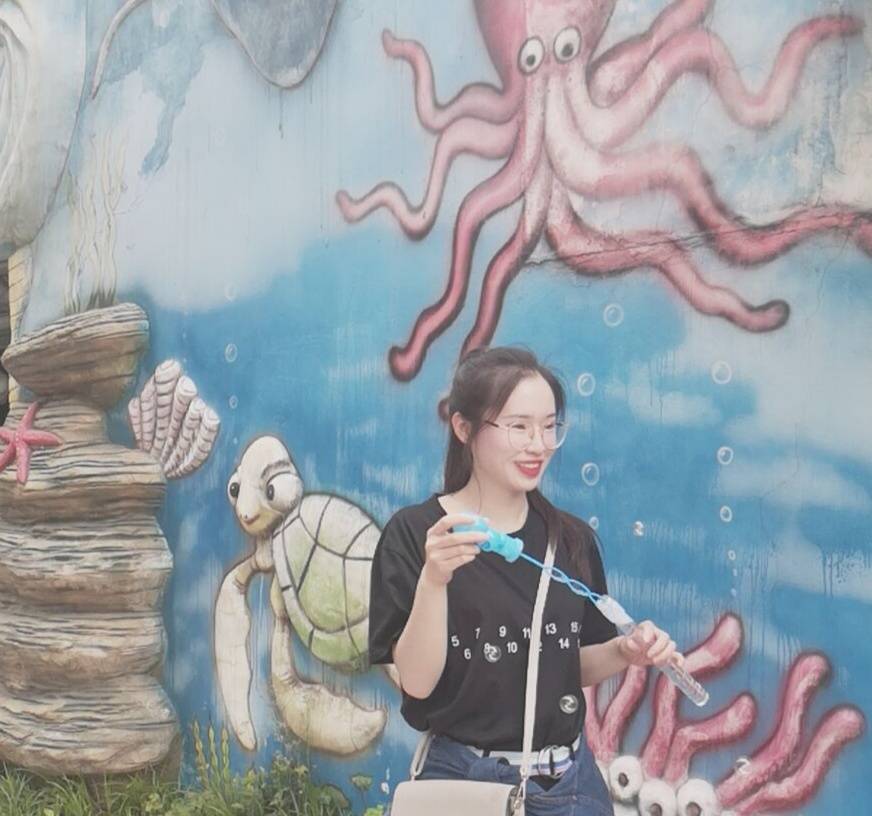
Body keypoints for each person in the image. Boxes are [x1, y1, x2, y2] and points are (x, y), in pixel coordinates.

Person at [368, 347, 683, 816]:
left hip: (569, 789)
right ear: (463, 428)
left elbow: (568, 663)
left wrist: (624, 651)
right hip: (463, 783)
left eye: (550, 426)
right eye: (519, 427)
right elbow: (416, 682)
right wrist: (434, 581)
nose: (539, 445)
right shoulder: (415, 535)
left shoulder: (571, 541)